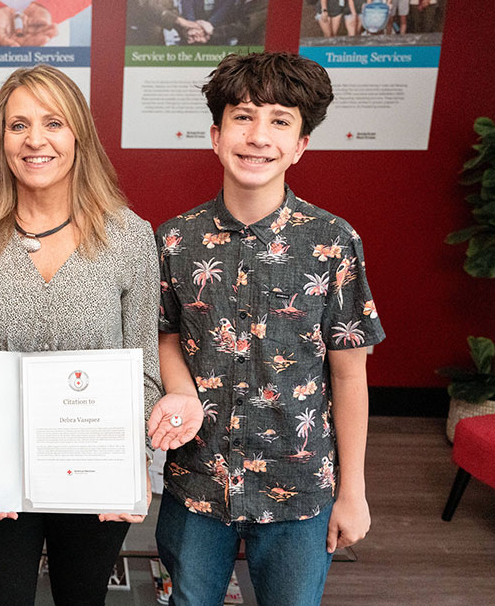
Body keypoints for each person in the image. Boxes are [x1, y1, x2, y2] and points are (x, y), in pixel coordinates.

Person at [151, 52, 384, 606]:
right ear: (215, 134)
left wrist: (354, 492)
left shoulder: (333, 240)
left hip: (299, 490)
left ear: (301, 145)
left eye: (280, 121)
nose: (258, 136)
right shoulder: (174, 240)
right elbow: (162, 334)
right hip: (198, 482)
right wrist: (182, 390)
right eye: (243, 116)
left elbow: (350, 376)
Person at [0, 64, 162, 605]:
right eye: (19, 126)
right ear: (1, 140)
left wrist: (137, 470)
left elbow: (145, 369)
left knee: (82, 599)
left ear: (77, 133)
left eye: (52, 123)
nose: (36, 140)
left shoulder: (129, 235)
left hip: (93, 473)